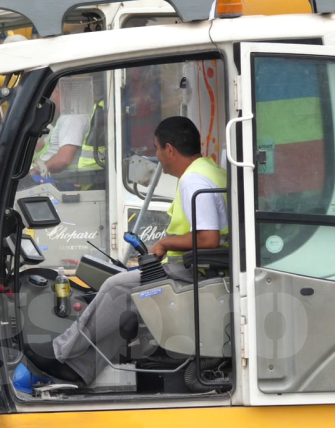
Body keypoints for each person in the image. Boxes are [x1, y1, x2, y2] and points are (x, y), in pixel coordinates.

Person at [30, 116, 227, 385]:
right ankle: (79, 370)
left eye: (157, 148)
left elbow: (208, 239)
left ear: (170, 149)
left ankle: (59, 353)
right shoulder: (212, 171)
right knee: (126, 300)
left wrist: (165, 244)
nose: (157, 156)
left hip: (194, 272)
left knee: (116, 287)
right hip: (202, 269)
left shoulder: (193, 180)